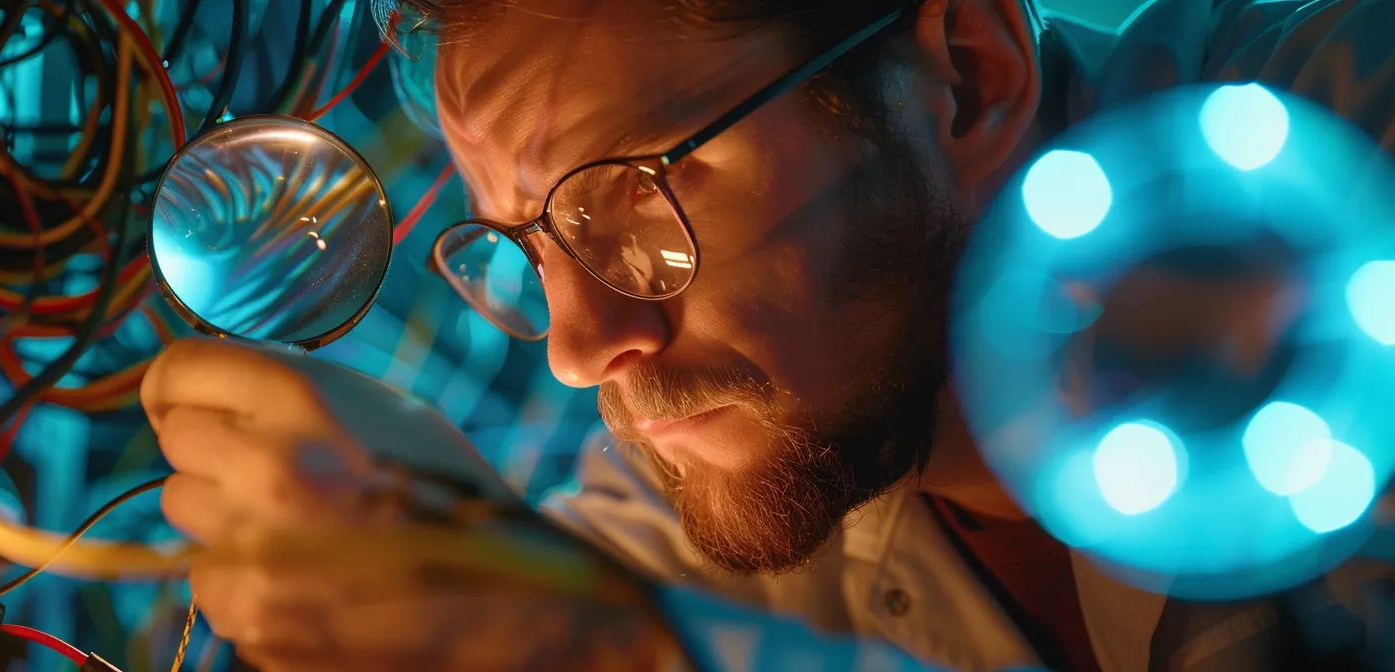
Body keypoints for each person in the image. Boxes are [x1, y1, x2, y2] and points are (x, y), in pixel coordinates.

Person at [143, 0, 1395, 669]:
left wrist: (601, 652)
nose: (579, 347)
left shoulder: (1357, 164)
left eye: (633, 195)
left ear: (964, 74)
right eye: (526, 246)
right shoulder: (737, 473)